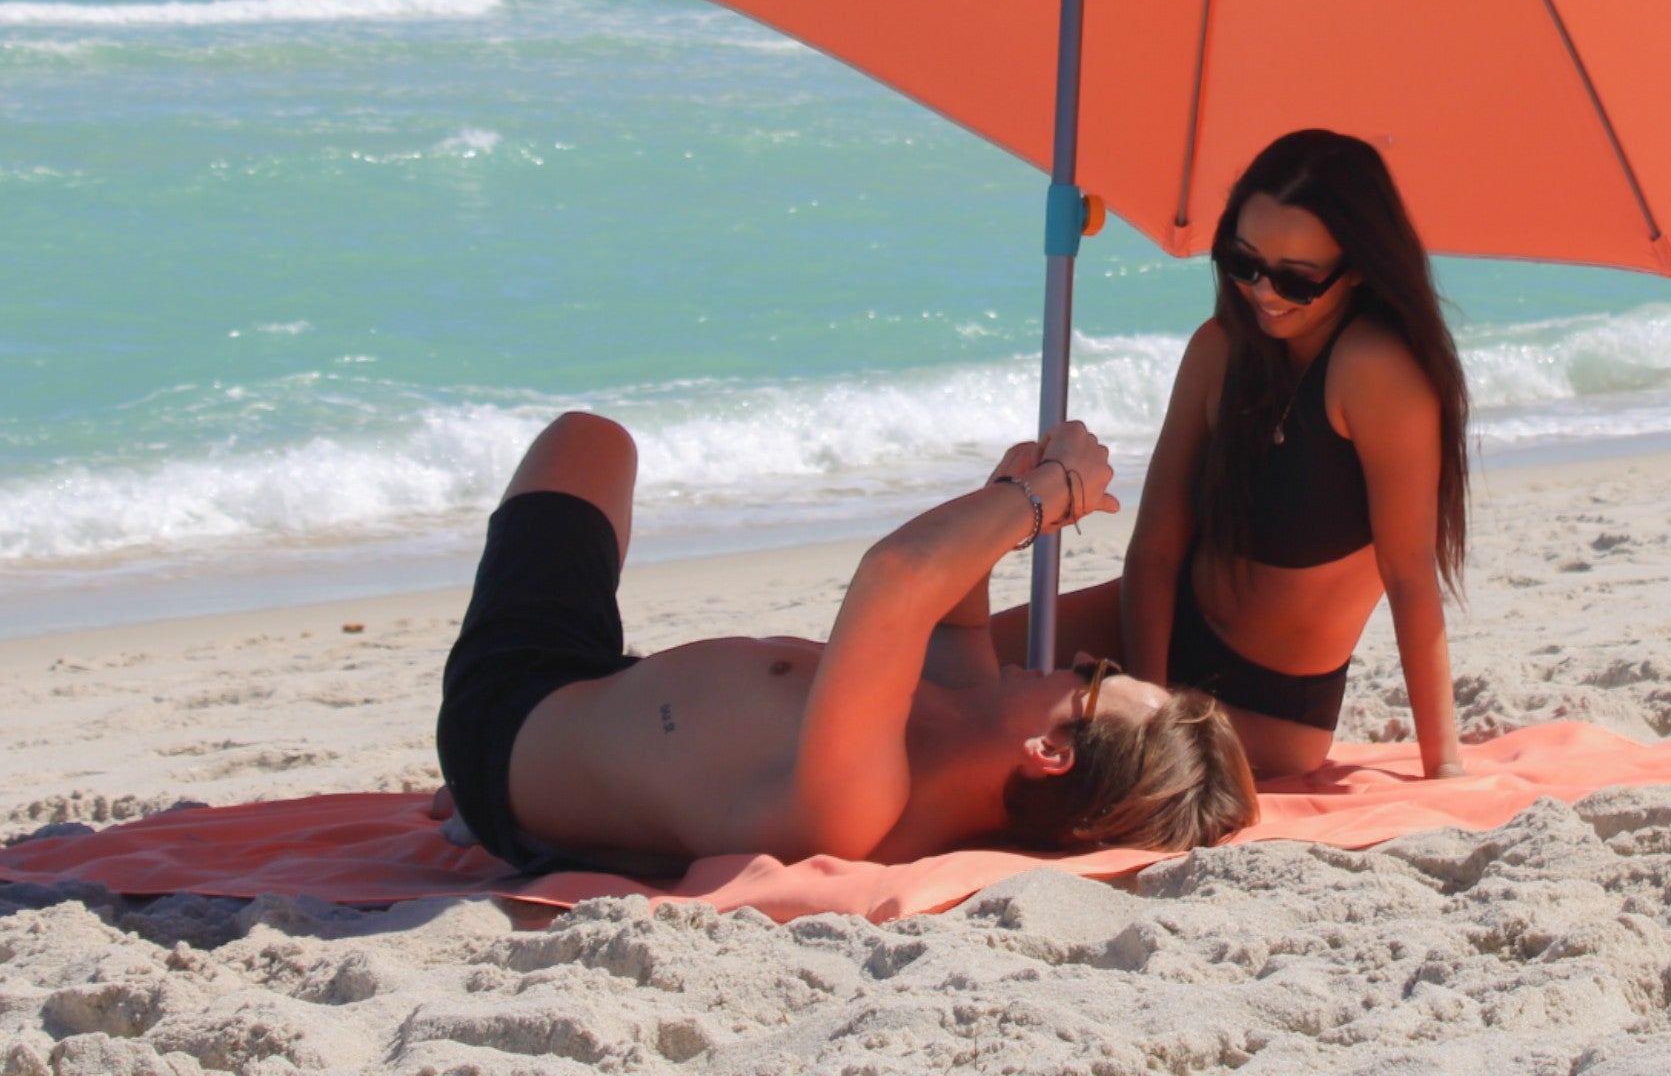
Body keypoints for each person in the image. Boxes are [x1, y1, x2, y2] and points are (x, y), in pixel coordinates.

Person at [433, 410, 1257, 876]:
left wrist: (1045, 495)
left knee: (587, 438)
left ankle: (480, 804)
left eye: (1097, 678)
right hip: (610, 702)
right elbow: (950, 609)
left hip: (511, 715)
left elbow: (895, 578)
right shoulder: (963, 703)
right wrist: (1001, 497)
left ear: (1050, 750)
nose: (1082, 658)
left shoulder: (864, 810)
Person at [994, 129, 1471, 780]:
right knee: (930, 670)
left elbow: (1411, 576)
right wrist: (1152, 700)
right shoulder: (1218, 349)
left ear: (1357, 266)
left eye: (1295, 278)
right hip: (1153, 630)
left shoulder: (1375, 370)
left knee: (990, 739)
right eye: (1243, 263)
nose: (1264, 292)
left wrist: (1443, 766)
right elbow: (1155, 552)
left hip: (1265, 703)